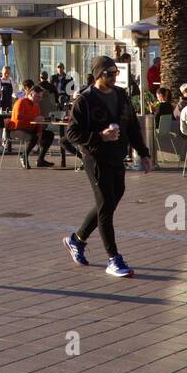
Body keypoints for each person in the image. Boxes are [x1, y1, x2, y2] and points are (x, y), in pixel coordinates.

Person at [63, 55, 150, 278]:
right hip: (95, 158)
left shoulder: (121, 95)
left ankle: (77, 238)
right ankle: (113, 259)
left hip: (117, 156)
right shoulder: (85, 100)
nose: (113, 77)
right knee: (106, 205)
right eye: (109, 73)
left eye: (115, 73)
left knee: (112, 200)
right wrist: (99, 136)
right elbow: (71, 133)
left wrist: (144, 152)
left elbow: (131, 126)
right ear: (98, 75)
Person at [9, 79, 55, 169]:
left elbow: (37, 121)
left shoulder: (36, 106)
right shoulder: (21, 102)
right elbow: (18, 117)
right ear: (30, 94)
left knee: (49, 135)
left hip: (30, 129)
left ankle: (40, 159)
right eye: (37, 96)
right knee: (33, 137)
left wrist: (39, 130)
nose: (39, 99)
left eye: (40, 97)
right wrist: (34, 119)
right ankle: (24, 156)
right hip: (17, 129)